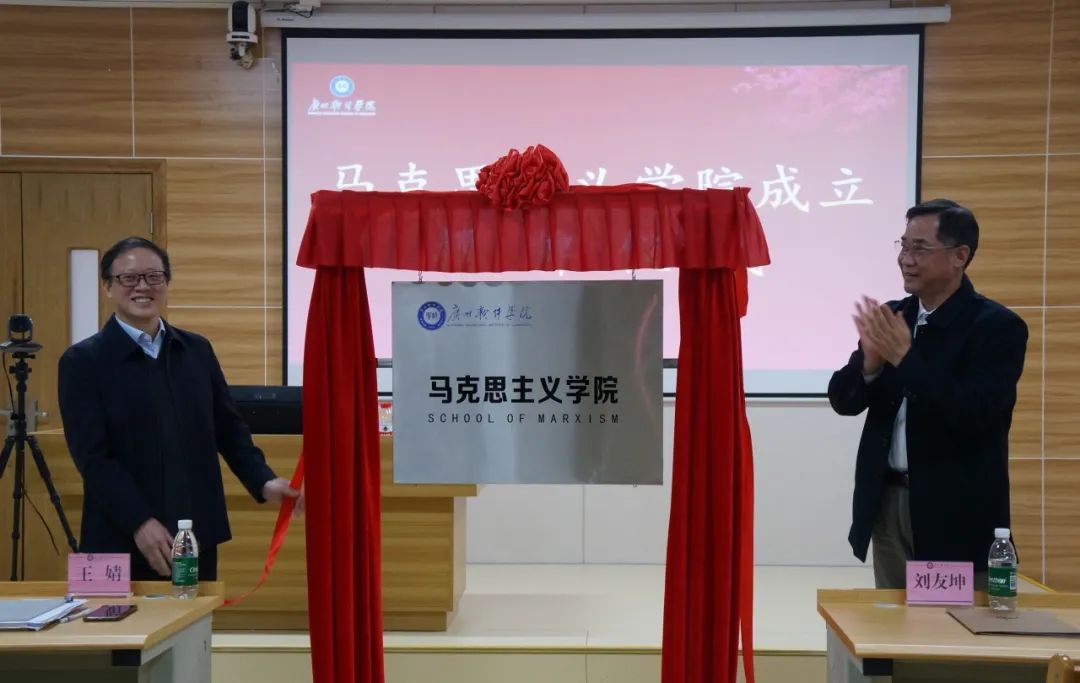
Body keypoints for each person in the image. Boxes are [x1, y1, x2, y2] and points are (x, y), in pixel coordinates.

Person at [58, 237, 302, 581]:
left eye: (153, 277)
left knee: (194, 617)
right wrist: (139, 521)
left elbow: (228, 430)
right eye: (129, 278)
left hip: (193, 533)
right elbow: (93, 458)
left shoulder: (197, 351)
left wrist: (264, 481)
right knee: (111, 618)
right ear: (108, 287)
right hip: (115, 535)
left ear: (167, 282)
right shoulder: (83, 361)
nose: (143, 286)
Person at [828, 199, 1027, 589]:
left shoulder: (996, 327)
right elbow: (843, 401)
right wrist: (869, 365)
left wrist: (905, 359)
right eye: (903, 246)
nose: (906, 259)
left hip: (954, 508)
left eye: (920, 248)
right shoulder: (894, 317)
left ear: (959, 256)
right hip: (887, 502)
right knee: (893, 619)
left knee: (949, 622)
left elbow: (976, 413)